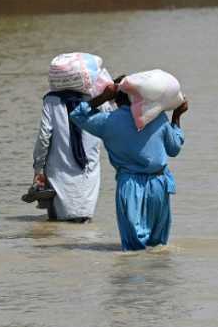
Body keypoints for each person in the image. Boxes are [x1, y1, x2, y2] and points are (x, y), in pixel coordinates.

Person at [70, 81, 188, 251]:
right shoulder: (158, 117)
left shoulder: (108, 121)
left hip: (129, 185)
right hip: (159, 183)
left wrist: (102, 97)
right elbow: (174, 149)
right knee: (158, 246)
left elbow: (77, 115)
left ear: (115, 100)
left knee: (133, 248)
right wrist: (176, 117)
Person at [29, 77, 108, 223]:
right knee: (85, 226)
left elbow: (44, 136)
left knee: (58, 226)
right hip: (88, 172)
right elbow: (109, 125)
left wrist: (38, 169)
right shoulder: (98, 98)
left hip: (59, 173)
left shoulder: (52, 101)